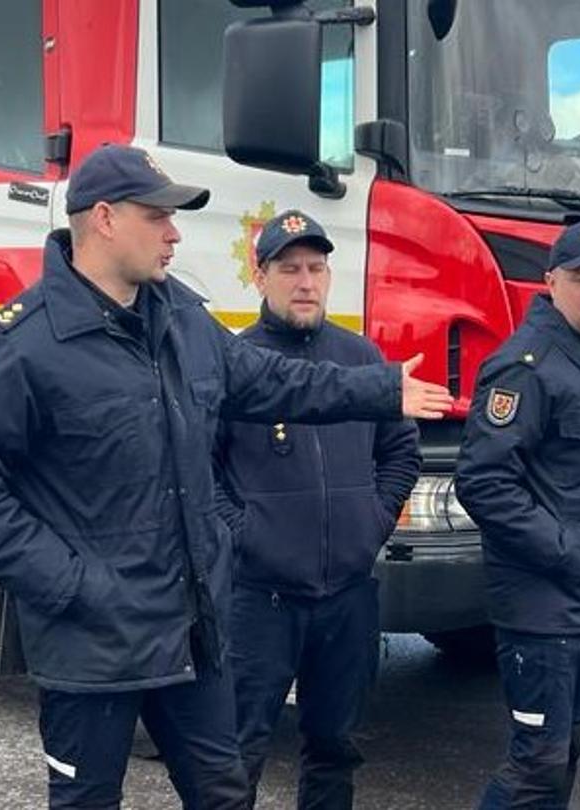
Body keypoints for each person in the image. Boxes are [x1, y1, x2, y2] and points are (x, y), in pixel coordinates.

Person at [0, 144, 452, 810]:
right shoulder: (24, 343)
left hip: (190, 633)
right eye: (158, 217)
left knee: (225, 795)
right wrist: (68, 583)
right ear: (104, 219)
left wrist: (381, 389)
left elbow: (273, 380)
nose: (174, 234)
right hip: (93, 643)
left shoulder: (182, 321)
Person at [214, 209, 421, 809]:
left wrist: (373, 521)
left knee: (335, 748)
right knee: (236, 755)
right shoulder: (236, 364)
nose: (305, 282)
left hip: (347, 598)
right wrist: (244, 534)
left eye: (316, 268)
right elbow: (201, 469)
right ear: (260, 278)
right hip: (260, 599)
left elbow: (400, 451)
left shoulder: (362, 360)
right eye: (289, 269)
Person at [456, 218, 580, 809]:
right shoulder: (526, 366)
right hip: (541, 601)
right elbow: (482, 481)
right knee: (536, 763)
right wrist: (567, 551)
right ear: (552, 281)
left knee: (564, 751)